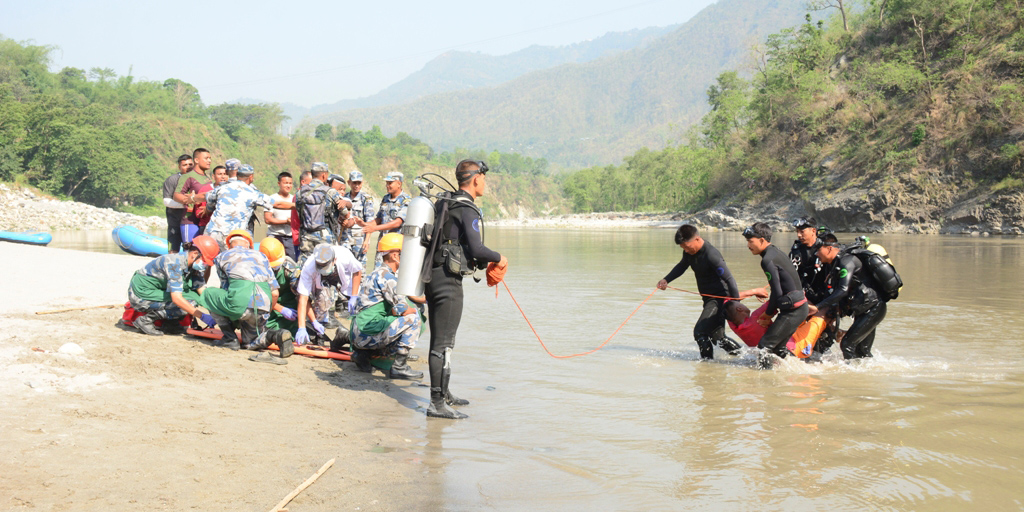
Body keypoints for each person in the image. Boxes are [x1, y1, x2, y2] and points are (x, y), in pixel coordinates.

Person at [424, 160, 505, 420]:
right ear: (476, 179)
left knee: (440, 340)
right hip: (448, 282)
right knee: (443, 344)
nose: (485, 183)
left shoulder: (445, 202)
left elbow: (463, 247)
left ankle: (444, 393)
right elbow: (478, 249)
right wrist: (499, 257)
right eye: (484, 178)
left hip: (433, 276)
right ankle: (436, 403)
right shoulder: (467, 208)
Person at [656, 225, 754, 360]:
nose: (686, 250)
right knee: (718, 338)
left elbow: (730, 279)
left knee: (700, 332)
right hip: (708, 299)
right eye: (683, 248)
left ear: (697, 239)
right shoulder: (689, 252)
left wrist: (735, 304)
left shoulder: (711, 254)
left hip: (718, 299)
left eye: (687, 246)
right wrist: (666, 279)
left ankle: (707, 365)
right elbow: (682, 266)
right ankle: (746, 359)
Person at [349, 233, 423, 380]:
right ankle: (399, 367)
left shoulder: (376, 273)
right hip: (366, 332)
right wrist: (416, 309)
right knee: (414, 318)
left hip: (359, 331)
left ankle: (363, 354)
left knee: (397, 317)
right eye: (405, 253)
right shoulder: (389, 278)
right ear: (395, 256)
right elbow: (402, 310)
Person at [198, 230, 284, 352]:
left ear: (229, 245)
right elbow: (275, 293)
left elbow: (226, 289)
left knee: (208, 294)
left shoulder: (222, 256)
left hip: (239, 304)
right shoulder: (262, 256)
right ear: (249, 244)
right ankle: (276, 335)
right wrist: (264, 317)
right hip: (262, 306)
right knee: (250, 343)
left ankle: (229, 338)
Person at [743, 222, 809, 369]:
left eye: (750, 241)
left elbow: (777, 292)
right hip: (798, 307)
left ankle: (765, 381)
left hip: (794, 310)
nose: (748, 245)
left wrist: (768, 314)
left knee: (764, 346)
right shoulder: (775, 252)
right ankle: (802, 372)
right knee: (778, 349)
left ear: (761, 240)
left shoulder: (767, 260)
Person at [815, 235, 889, 360]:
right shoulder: (835, 263)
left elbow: (842, 290)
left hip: (874, 308)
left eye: (818, 250)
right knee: (863, 351)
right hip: (865, 309)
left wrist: (817, 307)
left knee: (847, 345)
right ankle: (867, 376)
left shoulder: (847, 261)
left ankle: (851, 375)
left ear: (829, 249)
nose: (816, 254)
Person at [127, 235, 219, 335]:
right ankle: (145, 321)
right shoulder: (174, 264)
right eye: (204, 261)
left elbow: (203, 292)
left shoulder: (193, 266)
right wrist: (202, 316)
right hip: (141, 294)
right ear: (195, 254)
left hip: (158, 290)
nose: (204, 265)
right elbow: (177, 299)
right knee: (189, 302)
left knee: (195, 297)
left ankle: (170, 324)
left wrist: (217, 313)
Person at [204, 164, 294, 250]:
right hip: (233, 237)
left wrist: (194, 199)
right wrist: (296, 205)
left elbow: (209, 200)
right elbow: (277, 204)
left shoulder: (222, 187)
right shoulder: (251, 192)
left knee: (208, 262)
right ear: (251, 177)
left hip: (212, 233)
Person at [294, 243, 363, 346]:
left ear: (334, 260)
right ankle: (319, 332)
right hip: (321, 282)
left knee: (361, 303)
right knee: (322, 301)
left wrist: (354, 296)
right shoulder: (309, 266)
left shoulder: (344, 254)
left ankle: (359, 337)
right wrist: (301, 327)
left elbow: (357, 271)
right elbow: (303, 298)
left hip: (343, 279)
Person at [788, 217, 837, 359]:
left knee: (823, 341)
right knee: (801, 334)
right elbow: (791, 278)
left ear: (813, 231)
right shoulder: (797, 251)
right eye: (797, 231)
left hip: (825, 299)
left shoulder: (827, 247)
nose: (799, 235)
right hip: (805, 299)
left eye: (802, 231)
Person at [724, 300, 828, 358]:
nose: (743, 303)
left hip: (787, 341)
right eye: (740, 303)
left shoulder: (736, 328)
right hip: (796, 349)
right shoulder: (756, 318)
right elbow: (776, 299)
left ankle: (837, 333)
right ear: (739, 309)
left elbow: (726, 303)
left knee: (797, 315)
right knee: (823, 313)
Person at [295, 162, 347, 258]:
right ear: (324, 175)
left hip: (306, 238)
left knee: (307, 268)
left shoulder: (300, 193)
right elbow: (344, 212)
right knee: (327, 268)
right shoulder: (331, 192)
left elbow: (299, 213)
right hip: (325, 238)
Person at [362, 171, 410, 266]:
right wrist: (366, 225)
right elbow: (379, 218)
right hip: (383, 243)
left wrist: (374, 229)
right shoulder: (385, 199)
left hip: (395, 246)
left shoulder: (406, 200)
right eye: (387, 183)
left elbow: (397, 223)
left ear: (399, 184)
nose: (387, 186)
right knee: (379, 271)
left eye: (390, 183)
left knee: (393, 274)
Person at [340, 170, 375, 266]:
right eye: (354, 183)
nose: (356, 186)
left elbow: (370, 222)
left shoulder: (366, 199)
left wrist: (367, 241)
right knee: (344, 267)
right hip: (345, 239)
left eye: (359, 183)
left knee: (359, 268)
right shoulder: (344, 198)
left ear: (362, 183)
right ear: (349, 183)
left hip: (359, 240)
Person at [178, 148, 212, 245]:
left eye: (210, 158)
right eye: (206, 158)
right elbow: (177, 196)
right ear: (196, 160)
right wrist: (193, 199)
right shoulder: (187, 176)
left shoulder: (206, 178)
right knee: (190, 249)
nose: (209, 161)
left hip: (203, 220)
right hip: (189, 220)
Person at [162, 154, 192, 253]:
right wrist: (186, 204)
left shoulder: (198, 180)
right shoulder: (172, 180)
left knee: (189, 250)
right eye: (184, 165)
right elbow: (166, 201)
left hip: (191, 222)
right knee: (173, 250)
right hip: (175, 221)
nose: (188, 167)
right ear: (179, 167)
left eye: (190, 164)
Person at [265, 172, 296, 259]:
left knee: (293, 264)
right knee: (273, 263)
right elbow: (267, 219)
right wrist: (286, 221)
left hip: (290, 237)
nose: (288, 186)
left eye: (290, 183)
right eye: (285, 183)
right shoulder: (272, 199)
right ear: (279, 184)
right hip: (275, 236)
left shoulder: (294, 199)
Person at [193, 165, 228, 234]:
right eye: (219, 174)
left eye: (225, 174)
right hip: (207, 226)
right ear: (213, 176)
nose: (223, 177)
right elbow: (199, 213)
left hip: (226, 227)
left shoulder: (231, 190)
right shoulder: (205, 190)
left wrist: (209, 209)